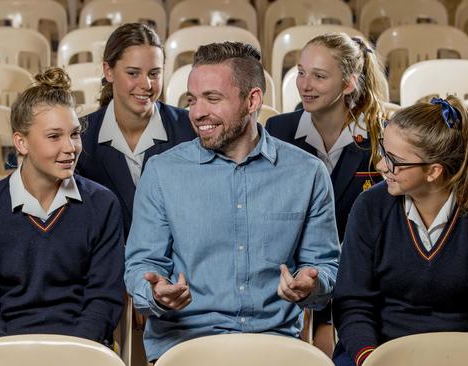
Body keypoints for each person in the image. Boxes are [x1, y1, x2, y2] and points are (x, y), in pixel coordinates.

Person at [124, 41, 341, 361]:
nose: (197, 113)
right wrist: (156, 294)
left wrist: (312, 285)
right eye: (192, 100)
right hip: (185, 347)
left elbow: (324, 267)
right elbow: (142, 266)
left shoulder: (307, 173)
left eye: (212, 98)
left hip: (274, 345)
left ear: (252, 100)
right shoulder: (161, 172)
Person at [332, 96, 468, 366]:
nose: (380, 166)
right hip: (380, 353)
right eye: (383, 150)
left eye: (394, 160)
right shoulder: (370, 207)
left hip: (465, 358)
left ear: (433, 171)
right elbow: (353, 304)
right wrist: (371, 358)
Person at [0, 67, 125, 345]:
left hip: (80, 352)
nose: (70, 147)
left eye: (74, 134)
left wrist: (71, 354)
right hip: (5, 353)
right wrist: (8, 356)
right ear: (21, 142)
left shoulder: (102, 204)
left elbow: (103, 301)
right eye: (54, 136)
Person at [266, 32, 388, 356]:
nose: (305, 85)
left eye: (319, 76)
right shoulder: (278, 131)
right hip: (295, 268)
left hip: (364, 272)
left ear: (348, 84)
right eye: (301, 72)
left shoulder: (382, 137)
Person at [77, 23, 196, 237]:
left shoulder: (190, 129)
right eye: (133, 73)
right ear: (108, 71)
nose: (147, 84)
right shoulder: (80, 137)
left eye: (154, 73)